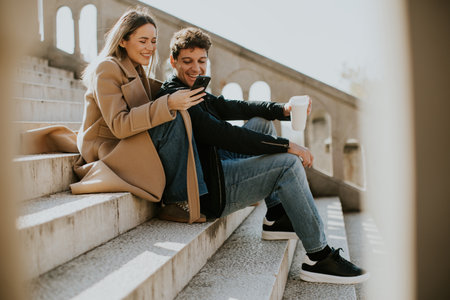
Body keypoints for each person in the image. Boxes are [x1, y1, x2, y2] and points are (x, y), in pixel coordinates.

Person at [156, 27, 369, 284]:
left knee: (262, 122)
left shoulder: (192, 90)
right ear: (173, 61)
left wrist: (283, 110)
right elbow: (224, 135)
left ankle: (277, 216)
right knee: (288, 164)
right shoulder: (176, 96)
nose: (196, 68)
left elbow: (235, 106)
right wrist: (286, 146)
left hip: (213, 164)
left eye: (201, 61)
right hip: (209, 190)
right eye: (187, 61)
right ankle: (319, 257)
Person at [70, 8, 209, 224]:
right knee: (174, 117)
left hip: (124, 141)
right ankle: (178, 200)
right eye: (143, 41)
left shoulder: (136, 69)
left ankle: (195, 195)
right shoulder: (107, 68)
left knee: (184, 114)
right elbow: (119, 125)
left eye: (153, 41)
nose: (150, 48)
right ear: (123, 40)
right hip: (108, 147)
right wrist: (168, 103)